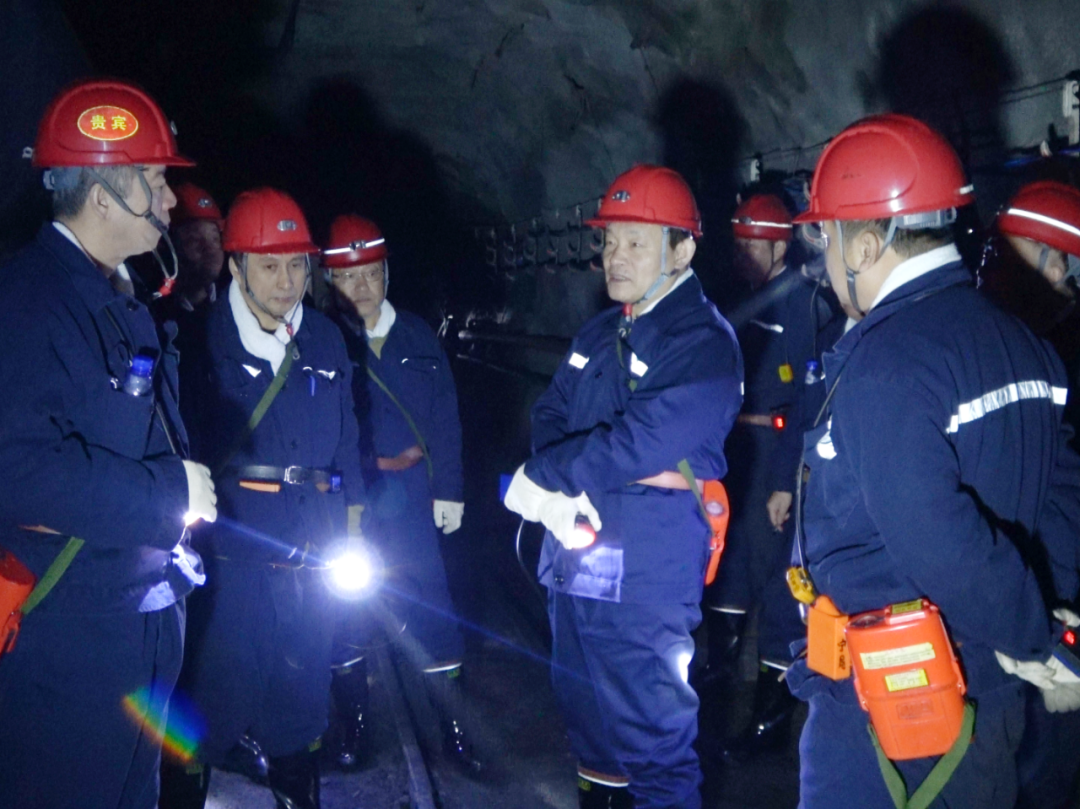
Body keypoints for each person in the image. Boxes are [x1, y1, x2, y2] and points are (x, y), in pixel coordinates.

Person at [788, 113, 1080, 808]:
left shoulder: (886, 362)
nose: (824, 260)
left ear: (864, 246)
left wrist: (1036, 635)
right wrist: (1049, 628)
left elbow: (936, 533)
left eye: (827, 238)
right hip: (990, 699)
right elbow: (1062, 499)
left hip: (892, 715)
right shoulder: (1025, 344)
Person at [0, 78, 216, 809]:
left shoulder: (118, 294)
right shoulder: (27, 301)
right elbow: (15, 468)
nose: (170, 199)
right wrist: (167, 494)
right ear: (101, 198)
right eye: (154, 179)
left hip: (138, 613)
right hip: (68, 641)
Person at [504, 164, 744, 809]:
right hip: (578, 556)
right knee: (587, 719)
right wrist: (556, 496)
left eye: (637, 241)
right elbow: (551, 411)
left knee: (653, 736)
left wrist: (546, 475)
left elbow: (640, 441)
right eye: (610, 241)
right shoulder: (600, 331)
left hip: (645, 566)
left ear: (682, 250)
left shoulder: (702, 343)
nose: (616, 256)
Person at [159, 188, 365, 809]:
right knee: (202, 711)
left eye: (297, 264)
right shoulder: (195, 343)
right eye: (270, 265)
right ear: (237, 264)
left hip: (311, 561)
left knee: (300, 711)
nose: (286, 281)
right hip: (228, 569)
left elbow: (347, 441)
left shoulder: (325, 340)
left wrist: (353, 526)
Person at [323, 214, 477, 773]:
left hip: (411, 493)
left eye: (370, 273)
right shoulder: (320, 339)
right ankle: (354, 725)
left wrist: (449, 489)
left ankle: (454, 728)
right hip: (352, 497)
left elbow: (445, 419)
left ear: (387, 273)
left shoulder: (416, 336)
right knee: (345, 607)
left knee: (432, 606)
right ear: (329, 281)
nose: (360, 287)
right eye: (347, 276)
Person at [698, 193, 840, 763]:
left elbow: (809, 398)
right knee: (725, 572)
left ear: (780, 246)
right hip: (732, 448)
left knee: (775, 582)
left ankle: (769, 722)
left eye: (752, 244)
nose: (742, 254)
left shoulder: (804, 306)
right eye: (738, 243)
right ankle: (712, 703)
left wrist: (786, 476)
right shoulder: (733, 299)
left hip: (774, 451)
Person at [983, 179, 1080, 809]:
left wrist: (1053, 609)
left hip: (1053, 592)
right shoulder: (1013, 336)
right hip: (1024, 588)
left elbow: (1065, 492)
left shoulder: (1058, 347)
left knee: (1044, 767)